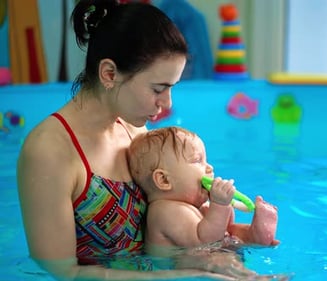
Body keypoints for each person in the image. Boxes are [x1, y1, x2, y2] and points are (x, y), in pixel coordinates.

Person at [16, 1, 264, 280]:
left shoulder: (134, 131)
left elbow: (178, 224)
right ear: (109, 74)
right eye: (158, 88)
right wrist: (181, 276)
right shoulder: (49, 151)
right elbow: (61, 270)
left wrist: (243, 237)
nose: (167, 103)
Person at [127, 126, 279, 250]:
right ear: (164, 180)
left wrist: (218, 208)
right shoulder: (165, 211)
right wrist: (220, 205)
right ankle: (250, 276)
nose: (209, 167)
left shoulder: (188, 205)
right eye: (197, 160)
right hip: (180, 268)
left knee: (232, 232)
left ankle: (255, 235)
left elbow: (219, 230)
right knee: (219, 261)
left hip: (209, 251)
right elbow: (204, 242)